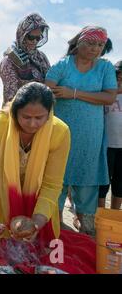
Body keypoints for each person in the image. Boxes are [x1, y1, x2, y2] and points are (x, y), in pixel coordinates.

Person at [0, 82, 70, 249]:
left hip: (39, 201)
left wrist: (37, 223)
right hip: (2, 195)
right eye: (26, 117)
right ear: (14, 112)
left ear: (49, 114)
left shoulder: (60, 132)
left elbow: (52, 184)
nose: (32, 124)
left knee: (39, 248)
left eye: (39, 118)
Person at [46, 26, 117, 236]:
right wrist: (62, 93)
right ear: (80, 43)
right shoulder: (62, 65)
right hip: (61, 134)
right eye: (92, 43)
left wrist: (73, 93)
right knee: (57, 176)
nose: (96, 49)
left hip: (90, 135)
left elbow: (109, 97)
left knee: (87, 178)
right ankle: (54, 225)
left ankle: (86, 227)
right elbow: (47, 89)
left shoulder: (105, 68)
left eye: (100, 45)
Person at [0, 13, 51, 105]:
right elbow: (11, 97)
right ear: (22, 35)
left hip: (42, 111)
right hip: (20, 112)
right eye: (31, 37)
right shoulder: (9, 60)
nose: (35, 41)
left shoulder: (42, 58)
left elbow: (50, 83)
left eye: (38, 38)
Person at [99, 60, 122, 210]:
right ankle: (99, 215)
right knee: (102, 184)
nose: (120, 81)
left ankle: (115, 215)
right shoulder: (103, 94)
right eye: (117, 77)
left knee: (120, 185)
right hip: (105, 146)